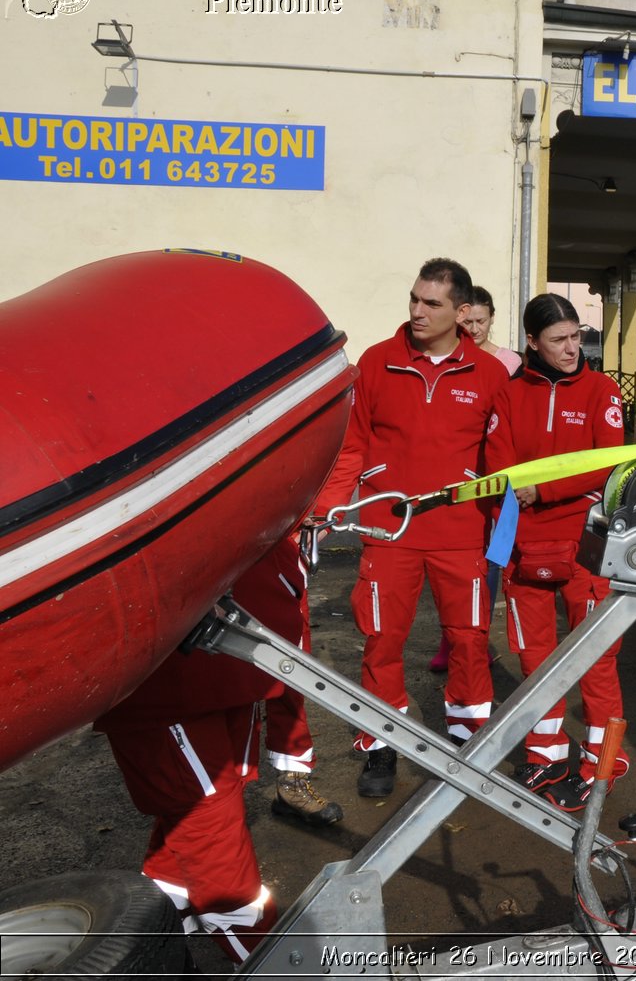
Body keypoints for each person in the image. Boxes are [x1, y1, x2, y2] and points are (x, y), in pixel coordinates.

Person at [314, 257, 509, 798]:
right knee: (381, 642)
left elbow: (503, 463)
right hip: (387, 530)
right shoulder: (376, 363)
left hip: (460, 532)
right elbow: (351, 448)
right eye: (414, 300)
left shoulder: (490, 375)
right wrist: (329, 511)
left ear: (463, 312)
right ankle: (380, 748)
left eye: (433, 304)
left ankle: (469, 747)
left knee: (469, 641)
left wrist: (510, 533)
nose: (417, 312)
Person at [94, 537, 306, 963]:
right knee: (208, 822)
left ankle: (155, 946)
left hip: (238, 646)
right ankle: (270, 963)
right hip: (164, 665)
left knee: (202, 815)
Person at [485, 293, 629, 811]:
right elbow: (499, 465)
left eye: (576, 337)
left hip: (585, 545)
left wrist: (542, 490)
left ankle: (602, 762)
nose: (572, 348)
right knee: (535, 658)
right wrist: (515, 511)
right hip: (526, 546)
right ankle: (544, 752)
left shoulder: (601, 389)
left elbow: (606, 463)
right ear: (531, 342)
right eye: (559, 340)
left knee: (595, 659)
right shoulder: (509, 393)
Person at [430, 285, 522, 673]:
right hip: (457, 474)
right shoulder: (449, 360)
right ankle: (449, 639)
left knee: (491, 560)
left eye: (480, 321)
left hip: (497, 475)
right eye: (467, 321)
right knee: (451, 561)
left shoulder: (510, 363)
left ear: (492, 320)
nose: (474, 328)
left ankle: (477, 640)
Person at [261, 539, 344, 826]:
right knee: (221, 689)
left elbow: (326, 494)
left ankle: (290, 784)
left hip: (276, 559)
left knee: (290, 678)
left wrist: (315, 519)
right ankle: (220, 795)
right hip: (212, 560)